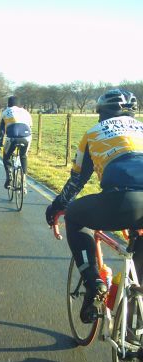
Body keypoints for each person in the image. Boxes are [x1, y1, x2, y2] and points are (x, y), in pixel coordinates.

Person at [45, 88, 143, 324]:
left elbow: (77, 181)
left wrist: (56, 207)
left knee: (76, 215)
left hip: (123, 199)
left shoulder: (94, 132)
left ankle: (94, 282)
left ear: (102, 112)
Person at [0, 96, 33, 190]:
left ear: (8, 104)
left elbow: (1, 130)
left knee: (6, 157)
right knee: (23, 156)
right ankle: (24, 179)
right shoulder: (26, 112)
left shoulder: (5, 112)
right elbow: (30, 126)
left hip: (12, 138)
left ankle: (9, 177)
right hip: (26, 137)